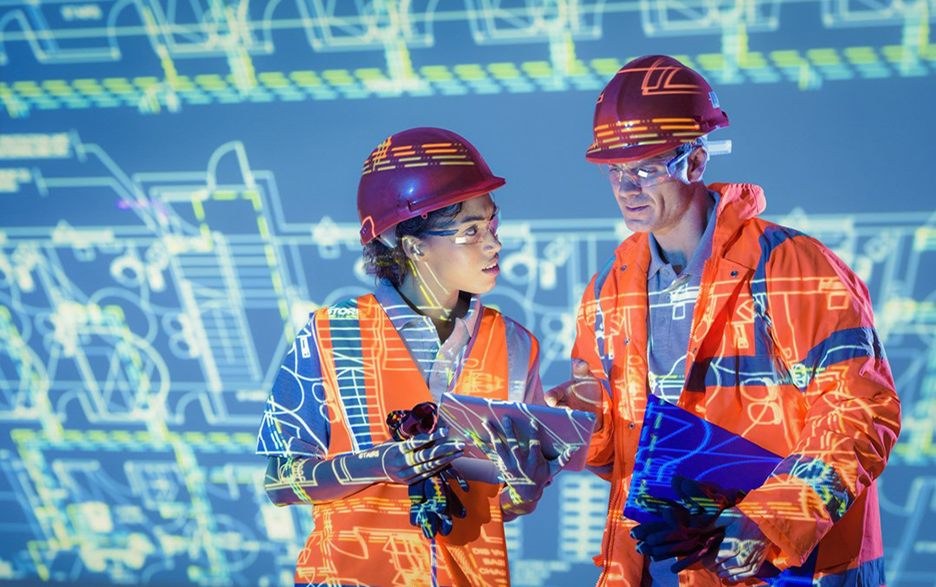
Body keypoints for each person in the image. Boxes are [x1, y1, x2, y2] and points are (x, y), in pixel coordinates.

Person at [544, 55, 901, 586]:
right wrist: (563, 421)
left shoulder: (792, 266)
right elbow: (613, 445)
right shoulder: (607, 290)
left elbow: (861, 411)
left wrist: (770, 518)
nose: (627, 188)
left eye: (645, 168)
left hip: (789, 567)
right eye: (615, 171)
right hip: (657, 563)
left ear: (696, 160)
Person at [256, 127, 563, 587]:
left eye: (493, 224)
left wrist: (525, 488)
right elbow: (280, 481)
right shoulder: (330, 334)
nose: (494, 244)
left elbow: (504, 506)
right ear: (413, 245)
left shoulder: (515, 344)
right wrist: (375, 465)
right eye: (470, 231)